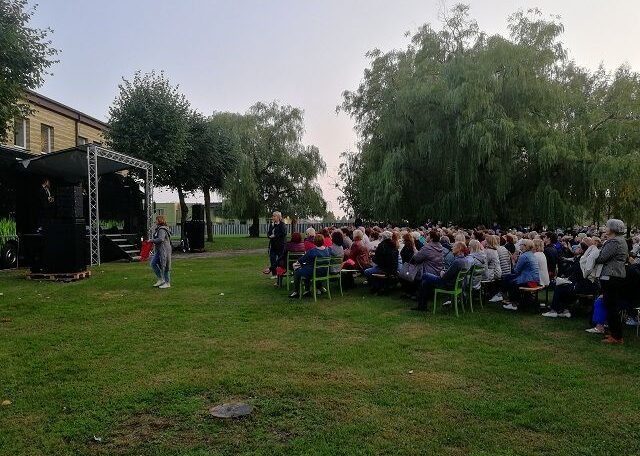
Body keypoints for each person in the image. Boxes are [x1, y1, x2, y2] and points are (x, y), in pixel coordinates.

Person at [542, 238, 599, 319]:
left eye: (578, 247)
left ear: (582, 250)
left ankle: (554, 310)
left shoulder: (582, 259)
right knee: (563, 286)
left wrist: (567, 280)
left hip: (584, 285)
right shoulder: (584, 257)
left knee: (560, 287)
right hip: (586, 284)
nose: (576, 248)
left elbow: (577, 274)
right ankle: (564, 309)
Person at [596, 219, 629, 344]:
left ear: (612, 228)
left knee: (610, 306)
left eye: (607, 226)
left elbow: (602, 257)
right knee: (611, 305)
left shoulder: (614, 241)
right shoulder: (621, 240)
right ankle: (615, 333)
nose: (605, 228)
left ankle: (616, 336)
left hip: (611, 275)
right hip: (617, 275)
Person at [413, 241, 468, 311]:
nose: (452, 248)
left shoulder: (457, 261)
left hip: (447, 284)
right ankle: (422, 306)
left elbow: (445, 277)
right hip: (455, 284)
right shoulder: (464, 260)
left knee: (424, 275)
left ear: (459, 248)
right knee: (425, 283)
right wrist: (444, 272)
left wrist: (442, 273)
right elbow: (451, 273)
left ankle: (419, 301)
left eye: (454, 246)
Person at [501, 239, 540, 311]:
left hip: (529, 280)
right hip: (535, 279)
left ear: (525, 246)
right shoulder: (532, 254)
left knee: (510, 281)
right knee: (508, 277)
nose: (519, 246)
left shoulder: (524, 256)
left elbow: (516, 271)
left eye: (521, 244)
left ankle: (513, 302)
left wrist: (513, 261)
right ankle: (510, 299)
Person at [289, 234, 331, 298]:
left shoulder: (312, 251)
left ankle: (296, 292)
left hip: (313, 271)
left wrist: (295, 264)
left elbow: (301, 260)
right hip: (324, 272)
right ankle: (307, 290)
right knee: (305, 269)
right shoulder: (327, 250)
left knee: (297, 271)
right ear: (323, 241)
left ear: (314, 241)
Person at [151, 215, 172, 289]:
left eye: (156, 220)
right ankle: (161, 279)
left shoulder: (162, 229)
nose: (155, 221)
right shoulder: (159, 229)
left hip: (164, 250)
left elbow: (161, 239)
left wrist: (152, 240)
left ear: (159, 221)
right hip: (159, 250)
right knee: (153, 263)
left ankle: (167, 282)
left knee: (165, 265)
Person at [265, 211, 287, 278]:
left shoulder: (282, 224)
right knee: (272, 258)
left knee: (280, 260)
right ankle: (274, 274)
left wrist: (275, 236)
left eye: (274, 216)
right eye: (273, 216)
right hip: (273, 245)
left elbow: (283, 233)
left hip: (281, 245)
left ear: (278, 217)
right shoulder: (272, 224)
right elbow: (269, 232)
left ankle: (279, 274)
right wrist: (269, 236)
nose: (273, 217)